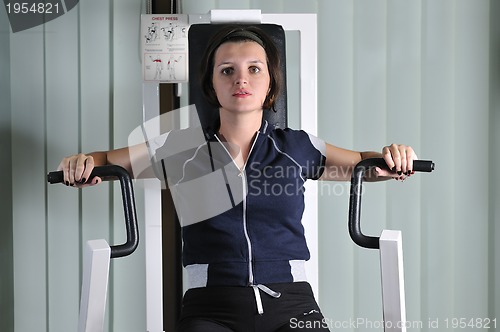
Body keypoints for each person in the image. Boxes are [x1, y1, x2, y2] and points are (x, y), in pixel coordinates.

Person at [57, 26, 417, 332]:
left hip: (292, 303)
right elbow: (105, 161)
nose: (241, 78)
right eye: (227, 70)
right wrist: (80, 163)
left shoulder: (296, 146)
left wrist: (394, 158)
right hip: (210, 307)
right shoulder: (182, 147)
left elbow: (363, 165)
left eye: (254, 69)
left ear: (271, 83)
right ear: (212, 86)